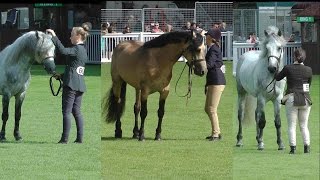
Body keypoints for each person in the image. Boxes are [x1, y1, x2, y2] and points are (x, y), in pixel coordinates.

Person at [46, 22, 90, 144]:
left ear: (78, 36)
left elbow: (63, 51)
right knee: (77, 112)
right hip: (79, 84)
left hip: (71, 85)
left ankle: (64, 139)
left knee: (66, 112)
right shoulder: (83, 50)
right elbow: (75, 69)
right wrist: (61, 76)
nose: (70, 37)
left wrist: (54, 36)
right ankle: (80, 138)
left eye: (72, 35)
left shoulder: (76, 49)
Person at [275, 48, 313, 154]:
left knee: (292, 125)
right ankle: (307, 147)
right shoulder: (308, 70)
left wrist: (277, 69)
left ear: (294, 57)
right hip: (305, 99)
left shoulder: (288, 68)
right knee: (304, 125)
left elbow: (277, 78)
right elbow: (308, 85)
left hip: (291, 98)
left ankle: (293, 148)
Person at [204, 28, 226, 141]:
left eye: (207, 36)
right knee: (207, 108)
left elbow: (209, 64)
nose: (205, 38)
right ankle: (216, 131)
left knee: (212, 109)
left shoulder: (214, 50)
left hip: (217, 81)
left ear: (211, 38)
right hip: (213, 80)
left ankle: (216, 134)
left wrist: (196, 63)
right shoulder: (213, 49)